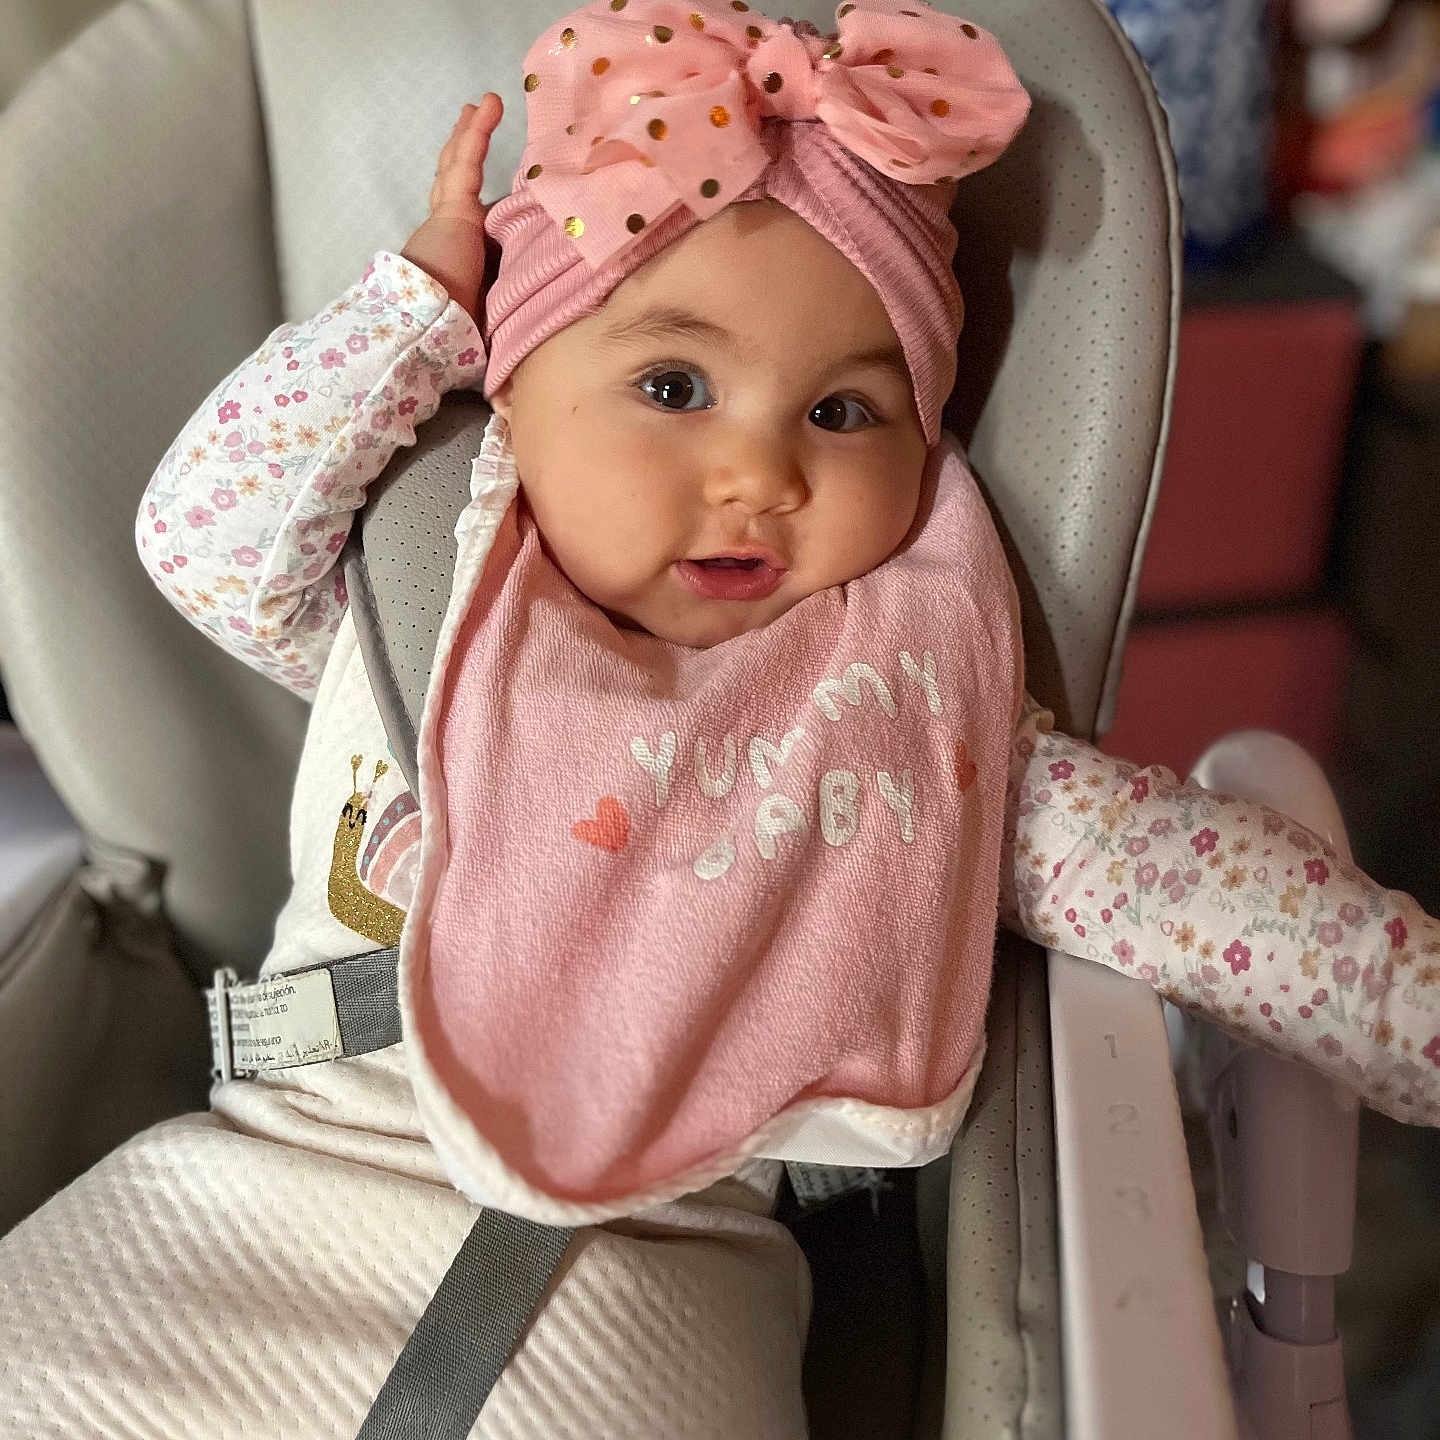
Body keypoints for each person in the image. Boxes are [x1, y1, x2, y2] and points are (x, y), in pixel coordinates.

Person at [2, 1, 1436, 1435]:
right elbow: (202, 543)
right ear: (516, 396)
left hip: (646, 1276)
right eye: (671, 387)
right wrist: (414, 313)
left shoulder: (913, 723)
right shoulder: (425, 611)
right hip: (263, 1181)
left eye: (844, 414)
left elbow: (1235, 911)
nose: (757, 469)